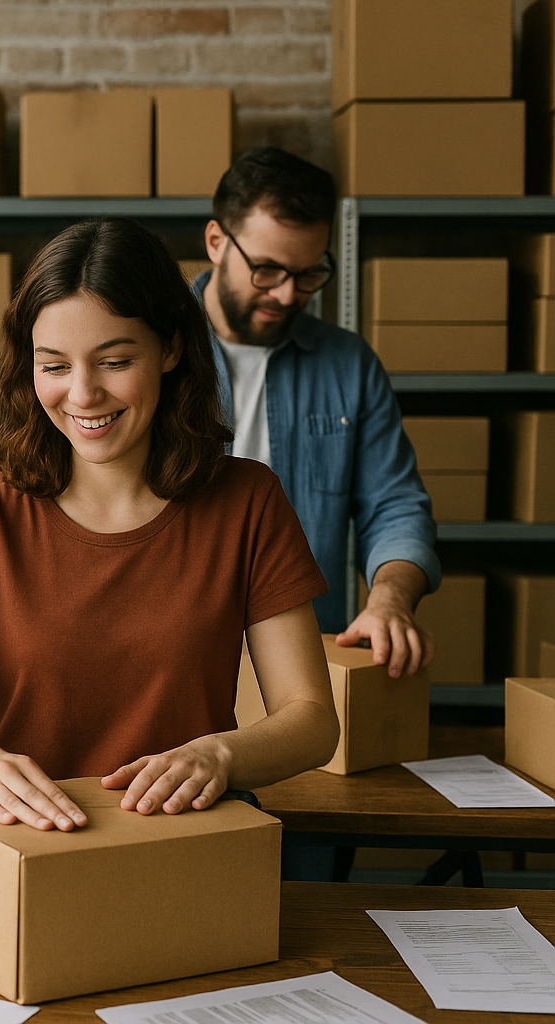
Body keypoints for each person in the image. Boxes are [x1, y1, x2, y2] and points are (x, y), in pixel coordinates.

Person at [0, 218, 338, 830]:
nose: (82, 394)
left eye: (113, 361)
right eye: (54, 366)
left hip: (188, 843)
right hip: (26, 843)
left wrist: (222, 754)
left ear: (170, 349)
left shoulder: (247, 501)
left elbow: (313, 718)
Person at [198, 146, 438, 679]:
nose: (287, 294)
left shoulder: (349, 365)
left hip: (306, 668)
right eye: (267, 270)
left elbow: (395, 507)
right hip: (170, 666)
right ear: (217, 242)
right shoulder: (150, 350)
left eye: (308, 274)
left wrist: (390, 600)